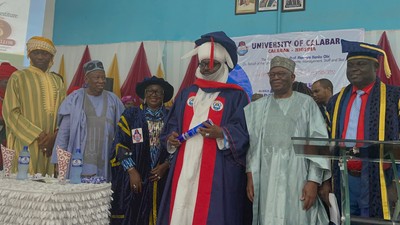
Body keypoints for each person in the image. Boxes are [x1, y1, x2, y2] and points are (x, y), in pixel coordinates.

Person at [157, 31, 250, 225]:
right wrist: (171, 139)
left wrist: (222, 133)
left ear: (223, 65)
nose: (207, 69)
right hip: (185, 161)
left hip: (217, 166)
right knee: (181, 206)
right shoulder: (186, 94)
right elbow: (171, 125)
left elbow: (243, 131)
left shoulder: (236, 97)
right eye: (202, 64)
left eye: (213, 64)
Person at [245, 56, 331, 225]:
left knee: (299, 216)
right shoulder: (256, 107)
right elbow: (250, 145)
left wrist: (313, 181)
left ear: (292, 77)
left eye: (281, 74)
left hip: (298, 176)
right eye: (273, 74)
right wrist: (250, 176)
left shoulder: (307, 104)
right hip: (265, 177)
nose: (276, 77)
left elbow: (318, 143)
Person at [327, 40, 400, 219]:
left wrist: (396, 181)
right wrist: (327, 180)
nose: (354, 69)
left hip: (382, 177)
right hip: (344, 175)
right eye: (350, 65)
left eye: (361, 64)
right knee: (346, 220)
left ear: (376, 67)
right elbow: (328, 142)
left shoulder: (393, 97)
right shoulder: (336, 101)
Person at [110, 76, 174, 225]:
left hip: (164, 178)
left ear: (163, 96)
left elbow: (180, 146)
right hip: (136, 177)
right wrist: (132, 171)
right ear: (144, 95)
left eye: (158, 92)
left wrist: (166, 165)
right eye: (150, 91)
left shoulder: (171, 117)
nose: (154, 94)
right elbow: (119, 144)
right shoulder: (131, 115)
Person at [51, 60, 124, 180]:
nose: (101, 81)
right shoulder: (74, 100)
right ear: (86, 80)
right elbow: (63, 134)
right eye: (97, 77)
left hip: (105, 161)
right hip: (78, 161)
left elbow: (122, 131)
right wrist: (59, 163)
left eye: (103, 77)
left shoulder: (114, 100)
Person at [2, 36, 66, 175]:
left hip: (49, 145)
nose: (40, 57)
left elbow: (64, 114)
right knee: (24, 185)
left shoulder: (57, 81)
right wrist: (38, 135)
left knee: (46, 190)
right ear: (29, 54)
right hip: (25, 141)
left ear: (51, 57)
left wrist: (53, 138)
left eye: (45, 53)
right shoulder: (18, 76)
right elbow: (10, 113)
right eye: (36, 53)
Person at [0, 62, 17, 169]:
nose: (9, 86)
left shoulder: (17, 99)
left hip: (13, 144)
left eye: (12, 82)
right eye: (6, 82)